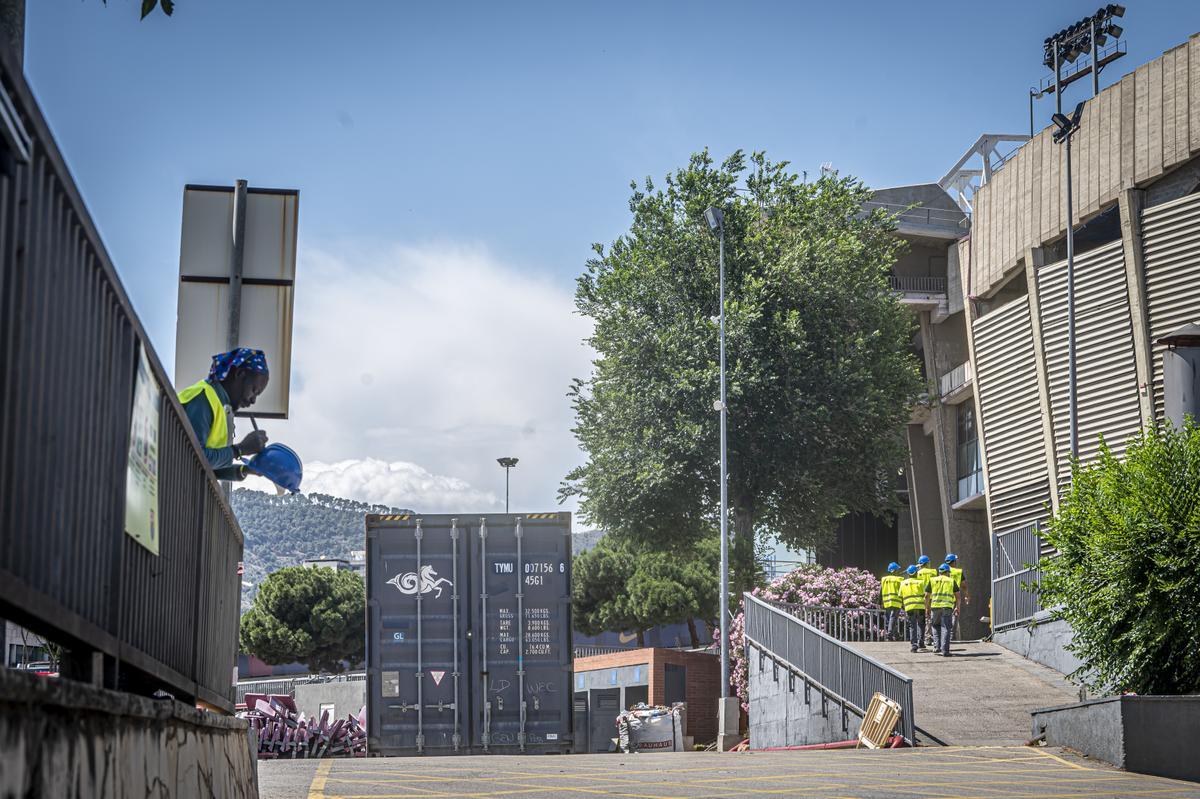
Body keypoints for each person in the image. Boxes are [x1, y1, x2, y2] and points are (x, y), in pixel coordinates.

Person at [178, 348, 270, 481]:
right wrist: (239, 450)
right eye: (254, 390)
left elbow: (209, 467)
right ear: (239, 374)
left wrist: (245, 470)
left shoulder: (221, 407)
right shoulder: (204, 398)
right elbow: (193, 457)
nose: (253, 400)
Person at [929, 562, 959, 657]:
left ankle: (937, 646)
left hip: (935, 607)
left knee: (935, 626)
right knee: (945, 628)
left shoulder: (932, 580)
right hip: (947, 607)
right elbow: (958, 596)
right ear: (947, 572)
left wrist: (927, 608)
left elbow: (926, 596)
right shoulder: (951, 581)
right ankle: (945, 651)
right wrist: (957, 607)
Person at [899, 565, 929, 653]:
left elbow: (900, 596)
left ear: (908, 573)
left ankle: (914, 645)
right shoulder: (921, 582)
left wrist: (903, 606)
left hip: (909, 607)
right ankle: (921, 642)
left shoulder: (903, 583)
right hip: (920, 607)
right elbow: (926, 594)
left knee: (912, 626)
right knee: (921, 624)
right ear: (916, 573)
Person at [916, 555, 939, 646]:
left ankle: (923, 637)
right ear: (927, 563)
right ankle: (929, 637)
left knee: (922, 618)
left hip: (921, 597)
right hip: (932, 597)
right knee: (929, 617)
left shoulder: (918, 573)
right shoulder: (933, 571)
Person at [880, 562, 904, 642]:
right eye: (897, 570)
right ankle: (889, 634)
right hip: (896, 601)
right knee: (893, 618)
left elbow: (881, 591)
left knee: (891, 619)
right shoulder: (900, 579)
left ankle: (896, 635)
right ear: (894, 571)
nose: (898, 571)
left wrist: (880, 602)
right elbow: (903, 591)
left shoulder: (884, 579)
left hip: (886, 602)